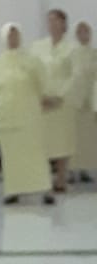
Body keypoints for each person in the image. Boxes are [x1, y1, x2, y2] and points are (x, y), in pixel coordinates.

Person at [0, 24, 55, 206]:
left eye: (15, 35)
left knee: (36, 154)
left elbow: (43, 85)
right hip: (5, 118)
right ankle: (12, 191)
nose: (13, 39)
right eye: (9, 36)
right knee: (10, 157)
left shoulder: (33, 61)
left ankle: (45, 189)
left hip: (29, 117)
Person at [33, 9, 78, 192]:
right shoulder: (38, 47)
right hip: (43, 100)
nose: (52, 24)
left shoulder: (72, 48)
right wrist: (40, 95)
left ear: (63, 24)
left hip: (62, 102)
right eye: (49, 21)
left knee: (62, 141)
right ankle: (43, 179)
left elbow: (75, 76)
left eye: (56, 20)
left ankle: (61, 179)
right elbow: (33, 71)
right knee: (43, 141)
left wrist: (59, 97)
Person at [70, 22, 97, 181]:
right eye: (80, 32)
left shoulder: (94, 53)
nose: (83, 35)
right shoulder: (72, 54)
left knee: (88, 137)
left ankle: (85, 169)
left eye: (86, 32)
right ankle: (72, 170)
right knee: (74, 138)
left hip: (90, 101)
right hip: (75, 100)